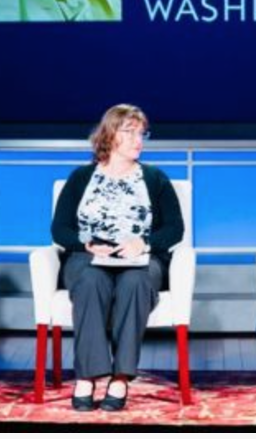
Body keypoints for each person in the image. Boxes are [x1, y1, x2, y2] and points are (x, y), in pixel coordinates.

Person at [50, 104, 184, 412]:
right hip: (89, 257)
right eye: (130, 132)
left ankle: (121, 376)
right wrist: (87, 244)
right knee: (90, 280)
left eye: (142, 133)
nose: (139, 139)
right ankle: (87, 376)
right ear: (109, 135)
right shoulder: (81, 177)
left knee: (135, 282)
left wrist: (144, 243)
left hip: (140, 257)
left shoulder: (155, 179)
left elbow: (175, 229)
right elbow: (60, 229)